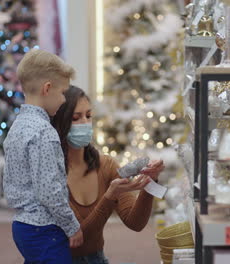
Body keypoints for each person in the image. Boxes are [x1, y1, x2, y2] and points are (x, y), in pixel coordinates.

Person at [52, 86, 165, 264]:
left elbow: (135, 222)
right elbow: (77, 239)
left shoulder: (106, 165)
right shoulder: (51, 172)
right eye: (76, 118)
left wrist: (150, 181)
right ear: (60, 123)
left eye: (88, 116)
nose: (85, 123)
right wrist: (109, 197)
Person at [3, 49, 83, 264]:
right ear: (47, 88)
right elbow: (49, 191)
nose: (64, 99)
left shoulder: (18, 126)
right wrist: (71, 226)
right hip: (45, 228)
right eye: (63, 92)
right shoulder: (44, 133)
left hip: (22, 225)